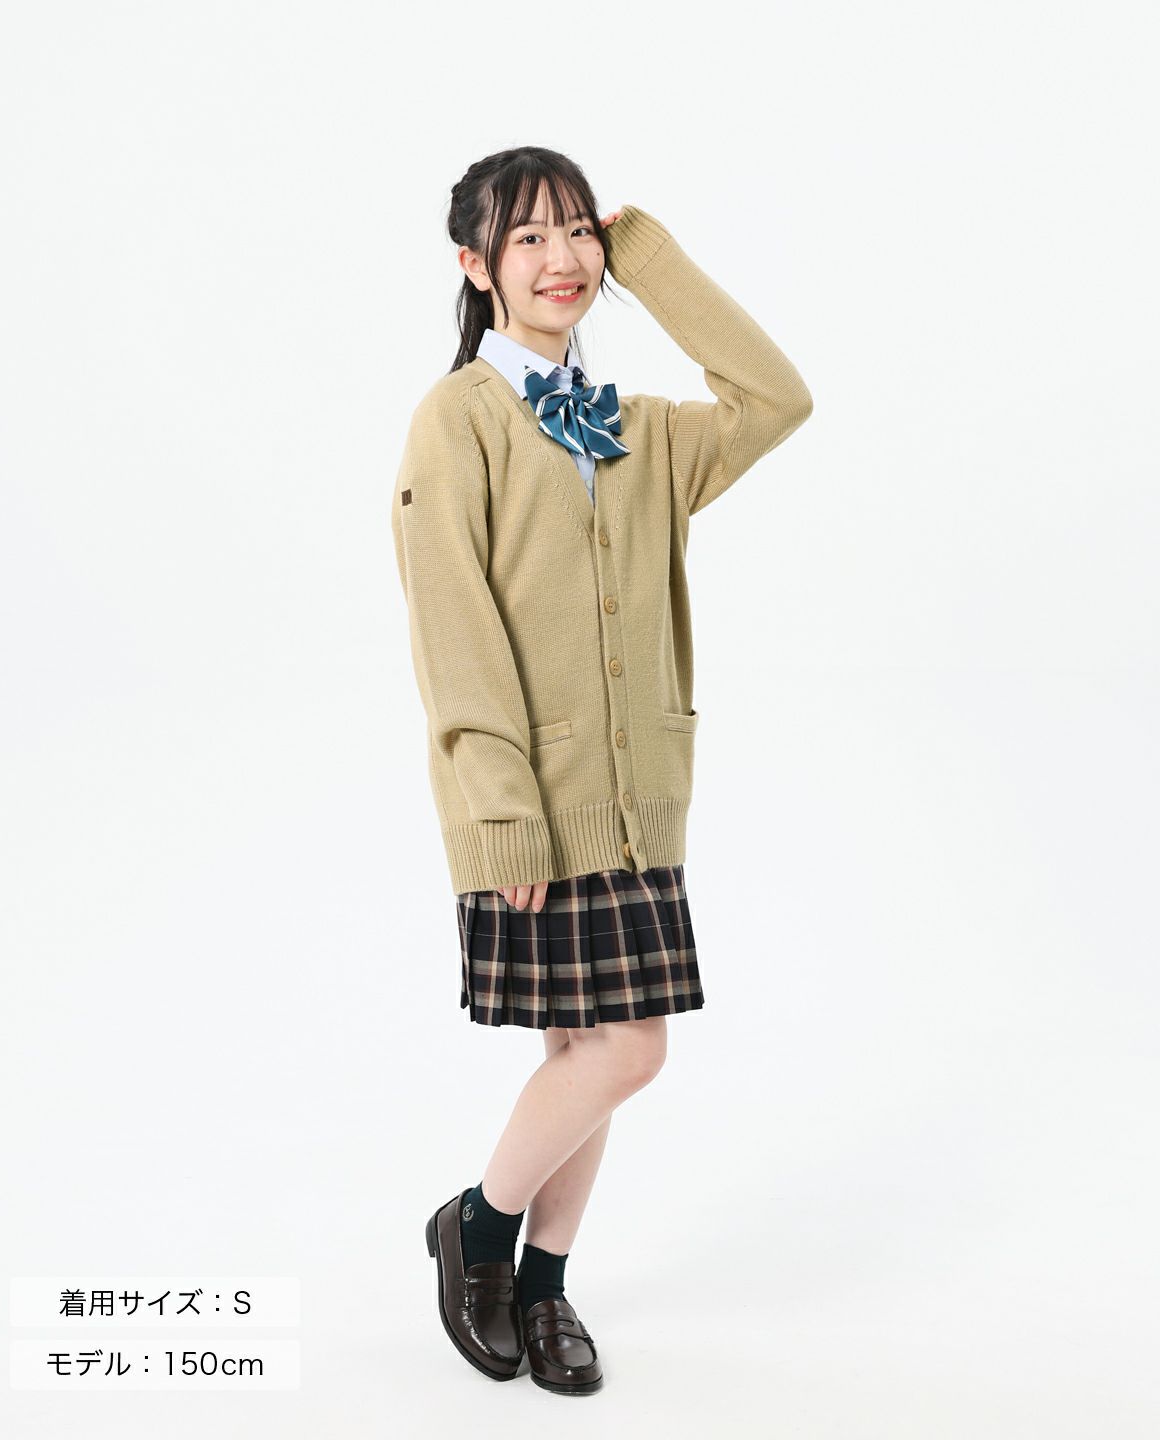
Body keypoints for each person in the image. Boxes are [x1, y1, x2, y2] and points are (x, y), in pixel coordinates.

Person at [391, 146, 813, 1395]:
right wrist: (500, 809)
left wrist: (653, 262)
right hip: (530, 799)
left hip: (638, 799)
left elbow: (776, 399)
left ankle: (542, 1283)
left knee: (587, 1055)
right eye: (528, 237)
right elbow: (452, 624)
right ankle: (476, 1226)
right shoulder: (458, 418)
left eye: (579, 232)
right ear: (475, 265)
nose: (562, 258)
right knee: (629, 1052)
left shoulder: (635, 429)